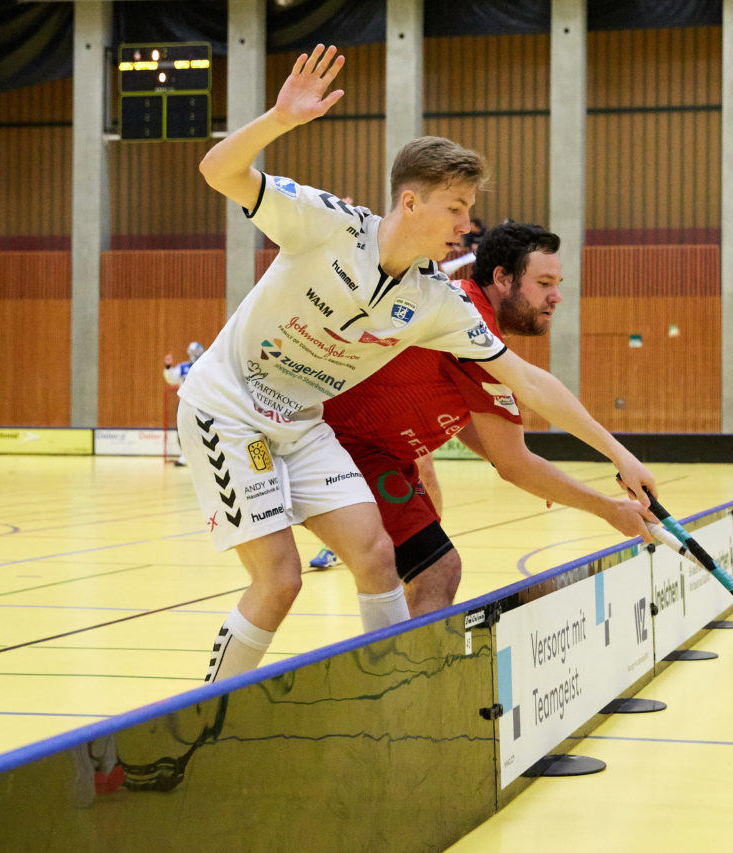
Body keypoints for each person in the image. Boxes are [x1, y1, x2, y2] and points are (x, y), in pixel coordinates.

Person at [182, 45, 655, 682]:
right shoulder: (325, 224)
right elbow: (217, 170)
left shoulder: (433, 300)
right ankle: (207, 719)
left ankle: (385, 700)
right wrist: (278, 121)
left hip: (302, 424)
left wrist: (618, 454)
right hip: (231, 410)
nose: (467, 225)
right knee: (280, 579)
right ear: (411, 203)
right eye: (456, 209)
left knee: (378, 555)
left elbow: (529, 380)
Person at [309, 222, 656, 614]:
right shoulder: (467, 318)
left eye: (557, 283)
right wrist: (615, 481)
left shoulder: (472, 326)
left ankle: (398, 667)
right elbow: (520, 441)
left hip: (379, 456)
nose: (557, 296)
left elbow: (498, 450)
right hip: (338, 445)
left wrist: (539, 475)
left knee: (433, 570)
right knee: (431, 571)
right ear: (502, 278)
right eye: (544, 283)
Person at [161, 341, 205, 466]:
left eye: (197, 352)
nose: (194, 354)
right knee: (182, 430)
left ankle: (203, 456)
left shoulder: (206, 366)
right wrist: (168, 367)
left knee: (202, 430)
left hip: (202, 404)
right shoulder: (183, 367)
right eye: (192, 352)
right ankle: (184, 456)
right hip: (184, 404)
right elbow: (171, 379)